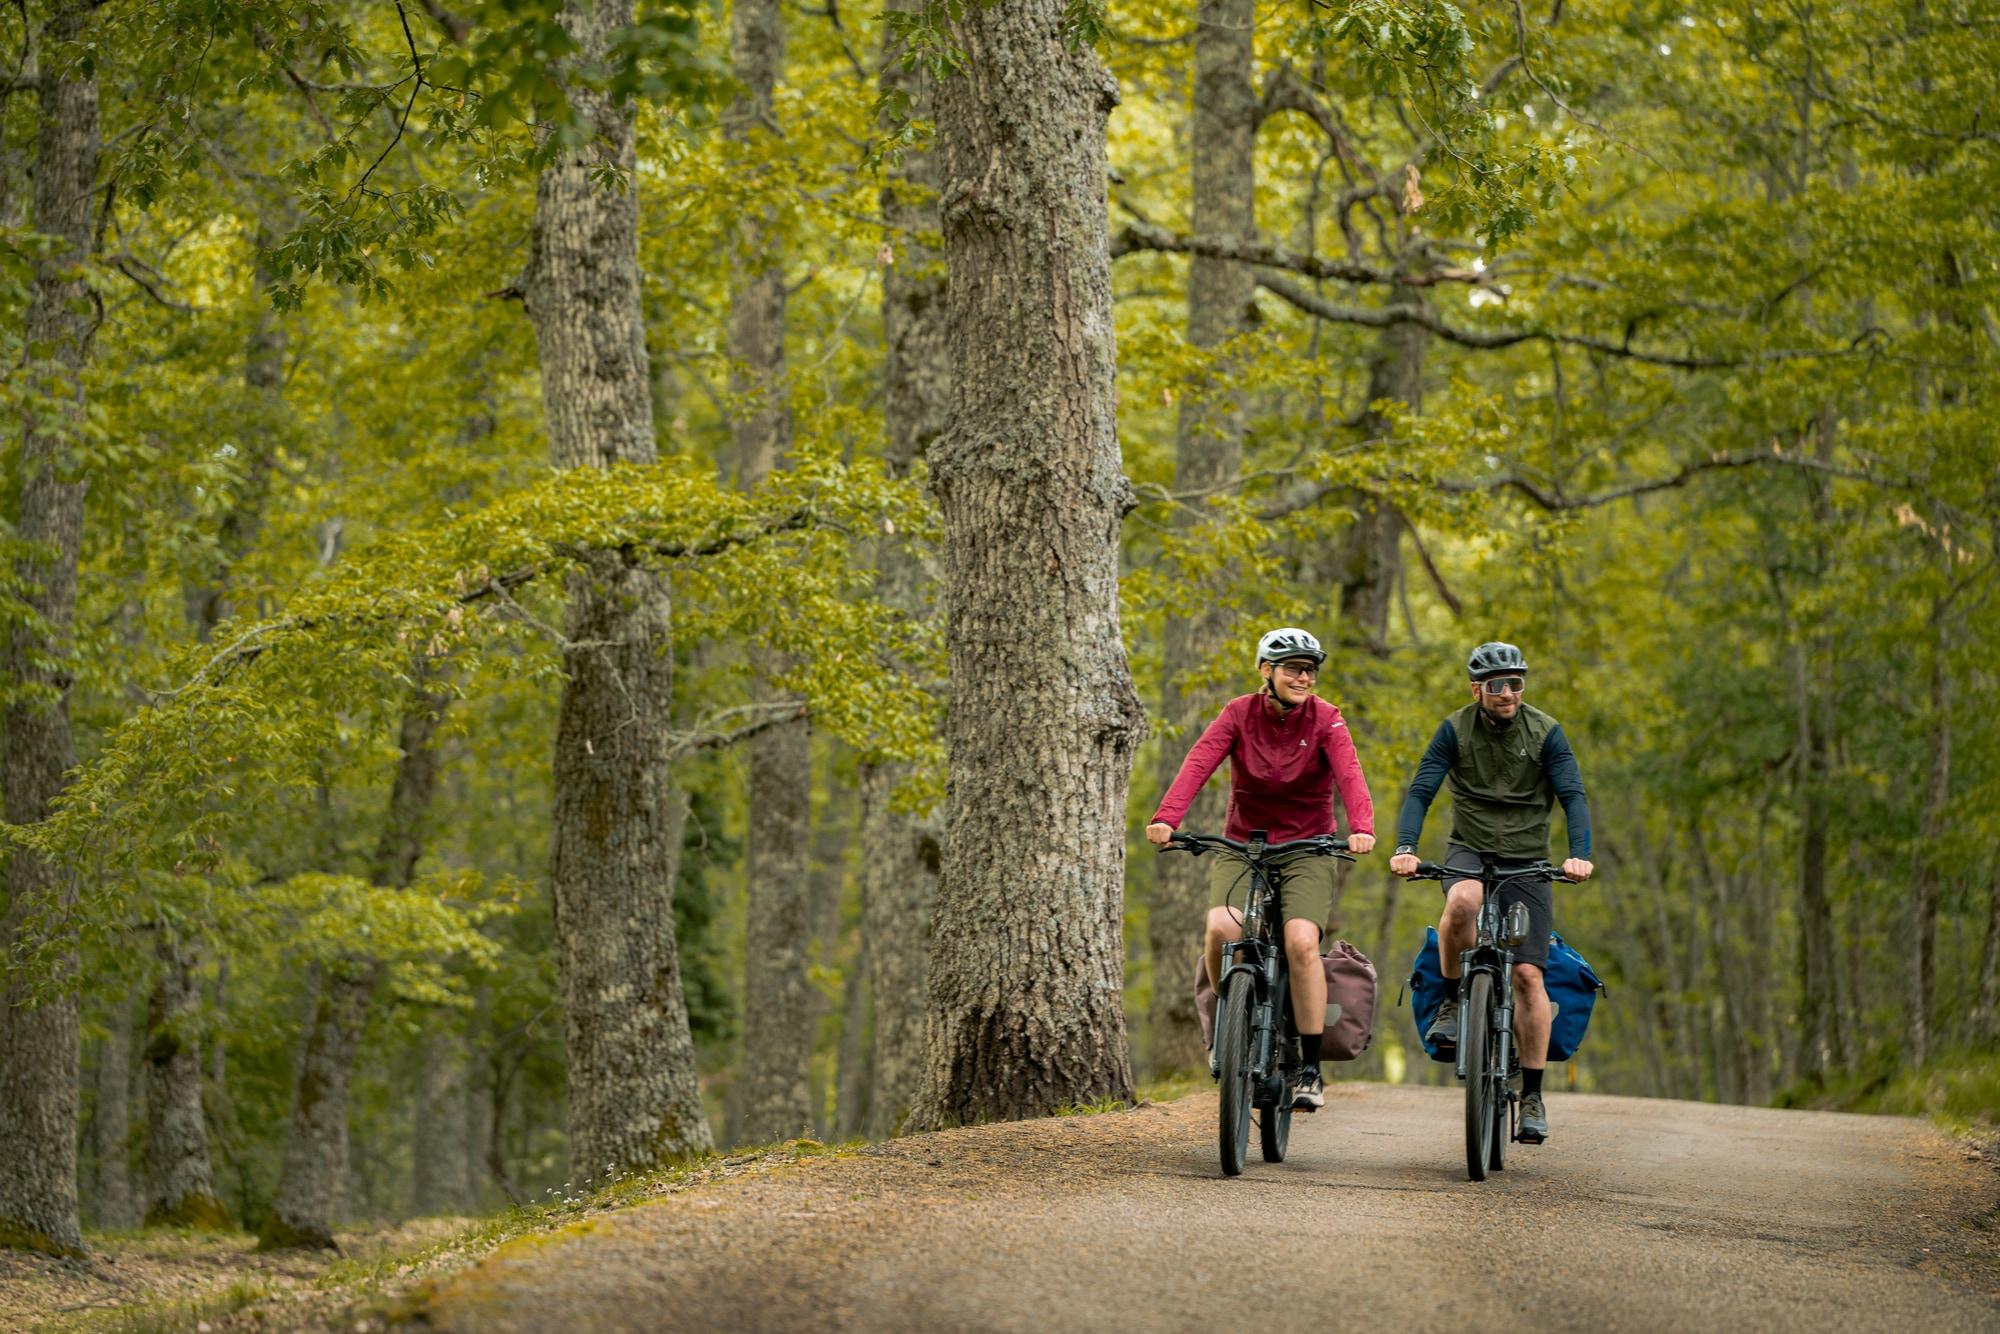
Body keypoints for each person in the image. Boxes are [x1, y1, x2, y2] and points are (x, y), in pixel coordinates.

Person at [1146, 627, 1376, 1110]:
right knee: (1219, 929)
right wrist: (1168, 817)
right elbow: (1199, 761)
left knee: (1300, 942)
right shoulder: (1238, 713)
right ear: (1266, 671)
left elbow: (1349, 773)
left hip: (1308, 848)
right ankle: (1225, 1030)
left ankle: (1309, 1067)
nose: (1303, 677)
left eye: (1310, 670)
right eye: (1293, 668)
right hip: (1243, 845)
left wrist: (1362, 826)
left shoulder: (1327, 720)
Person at [1388, 641, 1593, 1145]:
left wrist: (1579, 853)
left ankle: (1533, 1094)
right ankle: (1458, 1001)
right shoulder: (1454, 730)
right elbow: (1421, 791)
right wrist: (1406, 846)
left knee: (1526, 974)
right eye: (1498, 685)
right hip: (1469, 852)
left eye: (1516, 683)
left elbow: (1572, 796)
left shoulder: (1546, 732)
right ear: (1476, 689)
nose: (1508, 693)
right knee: (1462, 903)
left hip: (1528, 862)